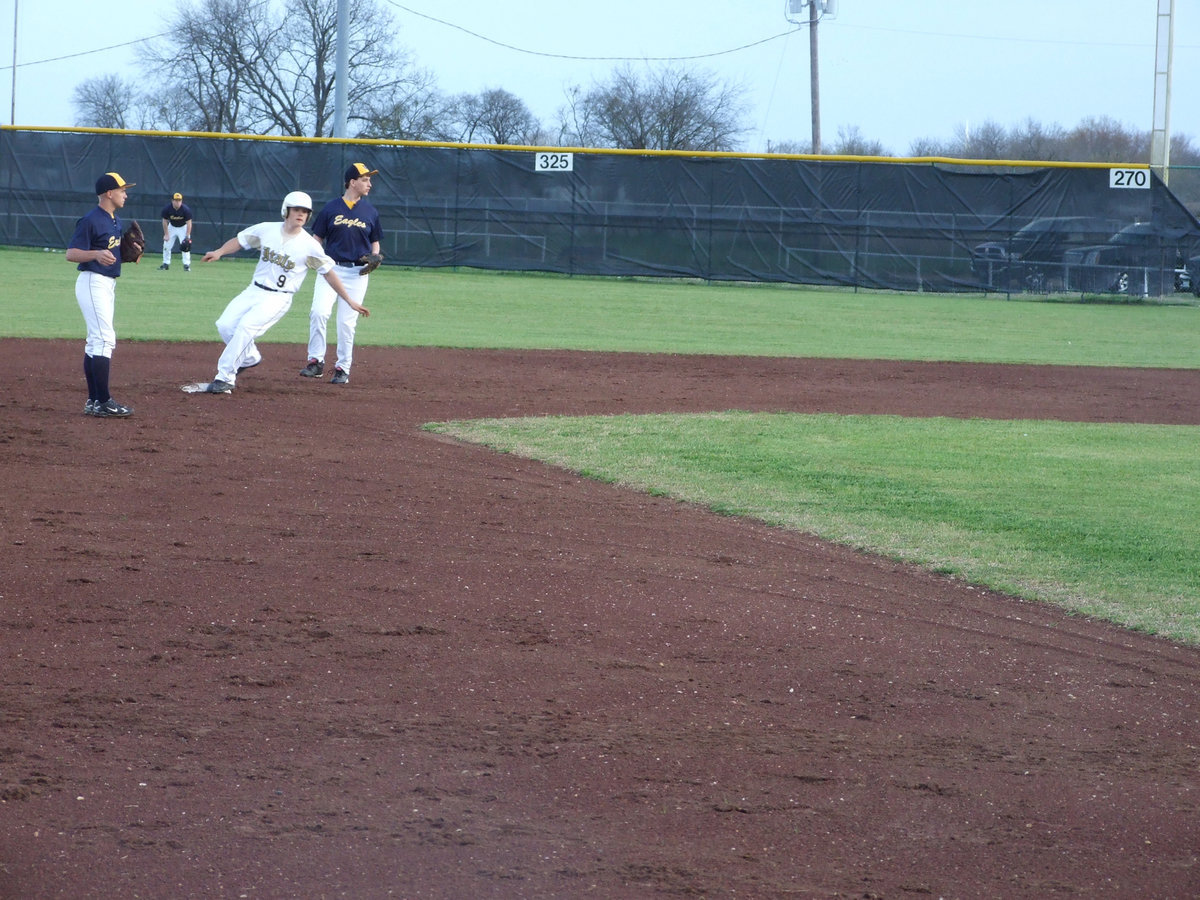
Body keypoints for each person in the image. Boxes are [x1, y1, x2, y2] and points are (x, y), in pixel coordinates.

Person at [191, 191, 370, 394]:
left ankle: (224, 379)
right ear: (286, 210)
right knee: (224, 325)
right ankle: (249, 358)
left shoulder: (309, 245)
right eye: (296, 210)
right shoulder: (267, 230)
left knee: (245, 328)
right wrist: (219, 252)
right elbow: (241, 240)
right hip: (254, 290)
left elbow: (328, 273)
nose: (301, 214)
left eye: (305, 211)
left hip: (278, 297)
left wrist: (348, 300)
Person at [300, 162, 383, 385]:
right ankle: (315, 361)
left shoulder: (370, 212)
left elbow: (375, 243)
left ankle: (342, 368)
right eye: (365, 179)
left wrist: (375, 256)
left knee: (347, 323)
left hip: (358, 273)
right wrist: (315, 258)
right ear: (352, 182)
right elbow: (316, 239)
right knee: (318, 313)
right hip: (330, 269)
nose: (369, 184)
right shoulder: (331, 208)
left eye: (369, 179)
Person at [66, 172, 136, 418]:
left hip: (107, 284)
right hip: (92, 282)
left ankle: (94, 401)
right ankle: (104, 401)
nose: (125, 194)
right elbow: (71, 253)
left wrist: (127, 255)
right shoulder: (90, 220)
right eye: (122, 190)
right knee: (105, 338)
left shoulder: (115, 219)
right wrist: (95, 254)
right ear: (109, 193)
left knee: (96, 341)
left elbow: (112, 253)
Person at [159, 191, 194, 271]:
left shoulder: (185, 210)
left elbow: (189, 223)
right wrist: (166, 234)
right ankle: (166, 263)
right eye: (176, 200)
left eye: (179, 200)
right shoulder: (167, 209)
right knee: (166, 246)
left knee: (185, 246)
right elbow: (164, 221)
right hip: (172, 227)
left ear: (181, 201)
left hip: (183, 227)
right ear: (172, 201)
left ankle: (186, 265)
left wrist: (187, 236)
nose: (178, 202)